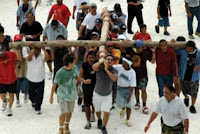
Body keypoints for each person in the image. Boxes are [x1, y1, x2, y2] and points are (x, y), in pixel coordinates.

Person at [50, 50, 91, 134]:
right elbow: (54, 84)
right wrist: (51, 96)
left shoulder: (74, 68)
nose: (75, 63)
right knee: (64, 112)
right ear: (69, 63)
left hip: (72, 94)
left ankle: (67, 125)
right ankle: (61, 128)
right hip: (62, 94)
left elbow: (76, 76)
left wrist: (84, 81)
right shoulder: (60, 72)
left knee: (70, 111)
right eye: (74, 61)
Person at [125, 41, 155, 114]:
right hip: (134, 75)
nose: (140, 49)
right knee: (136, 89)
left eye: (141, 47)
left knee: (143, 89)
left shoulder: (146, 52)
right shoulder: (131, 52)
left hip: (143, 74)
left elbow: (152, 61)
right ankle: (137, 102)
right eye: (138, 47)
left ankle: (144, 105)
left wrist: (153, 52)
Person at [92, 54, 118, 134]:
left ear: (113, 62)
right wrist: (101, 62)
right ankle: (99, 119)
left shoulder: (114, 70)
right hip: (97, 93)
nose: (109, 60)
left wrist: (107, 70)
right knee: (97, 110)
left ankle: (103, 127)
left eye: (111, 60)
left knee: (107, 112)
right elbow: (93, 67)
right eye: (108, 59)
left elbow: (114, 79)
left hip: (108, 95)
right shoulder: (99, 67)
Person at [176, 40, 200, 114]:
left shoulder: (198, 53)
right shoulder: (183, 52)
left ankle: (192, 105)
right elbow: (175, 50)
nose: (187, 49)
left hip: (194, 77)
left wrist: (198, 66)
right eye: (186, 48)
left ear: (193, 48)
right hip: (184, 75)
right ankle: (186, 98)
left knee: (194, 92)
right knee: (184, 90)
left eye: (189, 48)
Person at [26, 46, 49, 114]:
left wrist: (44, 49)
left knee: (40, 94)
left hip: (40, 78)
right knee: (30, 94)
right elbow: (29, 58)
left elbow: (47, 59)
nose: (38, 50)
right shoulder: (30, 55)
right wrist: (33, 50)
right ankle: (34, 101)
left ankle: (38, 107)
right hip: (31, 78)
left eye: (39, 49)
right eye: (36, 48)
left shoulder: (42, 55)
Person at [114, 57, 136, 127]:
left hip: (129, 90)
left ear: (128, 64)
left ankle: (128, 119)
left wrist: (129, 96)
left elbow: (132, 85)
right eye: (123, 62)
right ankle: (123, 108)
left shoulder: (132, 72)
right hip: (120, 89)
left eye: (124, 62)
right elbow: (112, 66)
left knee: (129, 105)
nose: (122, 63)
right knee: (121, 104)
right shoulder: (119, 67)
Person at [78, 50, 96, 129]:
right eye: (89, 58)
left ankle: (93, 114)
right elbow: (80, 76)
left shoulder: (98, 65)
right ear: (87, 58)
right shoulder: (84, 65)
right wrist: (76, 86)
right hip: (86, 87)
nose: (91, 59)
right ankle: (88, 121)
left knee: (94, 103)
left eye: (92, 58)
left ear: (95, 58)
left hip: (96, 88)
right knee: (87, 104)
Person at [0, 44, 20, 116]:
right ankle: (5, 101)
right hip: (1, 79)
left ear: (5, 49)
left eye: (2, 52)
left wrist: (17, 64)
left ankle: (9, 108)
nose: (1, 54)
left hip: (12, 78)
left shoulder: (11, 54)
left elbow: (17, 60)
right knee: (2, 95)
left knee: (11, 94)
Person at [14, 34, 30, 107]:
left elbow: (29, 57)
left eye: (20, 41)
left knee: (26, 85)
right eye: (17, 41)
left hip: (25, 70)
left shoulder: (26, 48)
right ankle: (17, 100)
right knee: (16, 87)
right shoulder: (13, 50)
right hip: (16, 72)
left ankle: (26, 94)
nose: (18, 43)